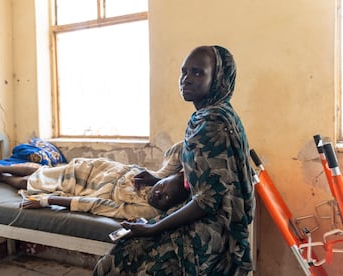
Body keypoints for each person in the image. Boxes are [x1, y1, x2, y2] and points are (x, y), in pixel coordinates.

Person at [93, 45, 255, 275]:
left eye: (198, 72)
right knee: (127, 249)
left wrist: (153, 229)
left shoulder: (211, 123)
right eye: (184, 72)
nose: (186, 79)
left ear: (217, 78)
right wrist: (159, 178)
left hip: (211, 232)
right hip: (219, 223)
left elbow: (207, 200)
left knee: (125, 256)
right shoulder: (219, 113)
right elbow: (204, 173)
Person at [0, 145, 190, 221]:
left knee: (29, 182)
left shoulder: (148, 211)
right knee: (45, 172)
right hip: (97, 169)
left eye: (164, 198)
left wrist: (48, 200)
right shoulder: (156, 177)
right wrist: (157, 178)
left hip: (87, 188)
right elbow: (181, 148)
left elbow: (99, 206)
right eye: (161, 187)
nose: (158, 194)